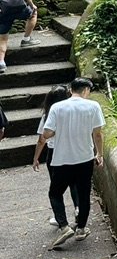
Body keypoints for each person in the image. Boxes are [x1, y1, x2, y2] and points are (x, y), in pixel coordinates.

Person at [41, 77, 104, 250]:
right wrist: (100, 154)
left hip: (61, 160)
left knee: (55, 193)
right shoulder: (93, 106)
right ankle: (81, 229)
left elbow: (46, 134)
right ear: (86, 90)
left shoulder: (57, 107)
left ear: (71, 90)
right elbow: (97, 134)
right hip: (84, 159)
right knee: (83, 195)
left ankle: (64, 226)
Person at [32, 85, 78, 223]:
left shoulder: (48, 114)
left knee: (56, 190)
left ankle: (61, 220)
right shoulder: (75, 111)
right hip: (73, 152)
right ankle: (78, 208)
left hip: (55, 154)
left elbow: (42, 140)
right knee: (74, 183)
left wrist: (36, 158)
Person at [0, 0, 39, 73]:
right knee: (33, 13)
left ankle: (1, 63)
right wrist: (32, 5)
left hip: (3, 11)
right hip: (19, 8)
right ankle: (26, 39)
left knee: (2, 37)